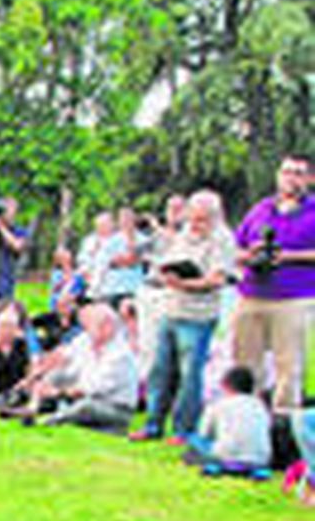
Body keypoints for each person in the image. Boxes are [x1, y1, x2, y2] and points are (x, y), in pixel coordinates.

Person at [132, 191, 233, 443]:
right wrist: (165, 275)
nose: (196, 225)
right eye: (193, 218)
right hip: (171, 309)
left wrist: (186, 284)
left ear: (216, 217)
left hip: (198, 315)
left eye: (202, 220)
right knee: (160, 370)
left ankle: (184, 429)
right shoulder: (185, 234)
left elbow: (217, 279)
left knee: (190, 375)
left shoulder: (222, 240)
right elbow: (167, 261)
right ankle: (153, 424)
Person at [233, 153, 313, 412]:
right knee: (245, 363)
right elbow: (234, 247)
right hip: (252, 294)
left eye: (299, 173)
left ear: (310, 179)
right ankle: (246, 421)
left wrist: (289, 256)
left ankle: (284, 428)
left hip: (293, 297)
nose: (291, 179)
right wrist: (249, 254)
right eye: (287, 172)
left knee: (288, 366)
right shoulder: (261, 209)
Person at [6, 301, 137, 430]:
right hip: (81, 395)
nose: (87, 331)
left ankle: (50, 420)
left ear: (107, 327)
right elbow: (61, 355)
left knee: (86, 406)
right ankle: (31, 408)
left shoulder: (120, 355)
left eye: (91, 326)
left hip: (114, 407)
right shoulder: (86, 340)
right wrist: (34, 377)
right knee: (56, 375)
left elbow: (92, 388)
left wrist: (58, 392)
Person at [187, 366, 272, 471]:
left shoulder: (218, 404)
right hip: (260, 459)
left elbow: (204, 433)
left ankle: (216, 464)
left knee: (195, 442)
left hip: (226, 455)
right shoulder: (260, 405)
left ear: (226, 385)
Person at [0, 299, 34, 401]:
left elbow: (30, 373)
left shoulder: (23, 345)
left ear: (19, 328)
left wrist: (26, 382)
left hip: (14, 394)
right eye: (1, 324)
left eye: (10, 325)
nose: (4, 330)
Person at [0, 197, 29, 305]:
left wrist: (0, 227)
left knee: (5, 311)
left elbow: (17, 246)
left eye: (12, 210)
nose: (9, 213)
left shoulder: (19, 230)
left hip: (5, 280)